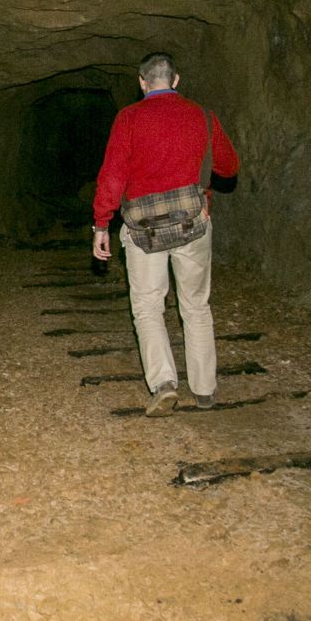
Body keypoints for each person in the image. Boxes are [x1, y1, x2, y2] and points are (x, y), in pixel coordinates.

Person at [91, 52, 241, 415]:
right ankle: (204, 390)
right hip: (193, 223)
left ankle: (164, 383)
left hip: (143, 230)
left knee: (147, 308)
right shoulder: (202, 117)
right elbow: (229, 166)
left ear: (142, 83)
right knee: (195, 307)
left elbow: (112, 175)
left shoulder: (128, 118)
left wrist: (101, 223)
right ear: (176, 80)